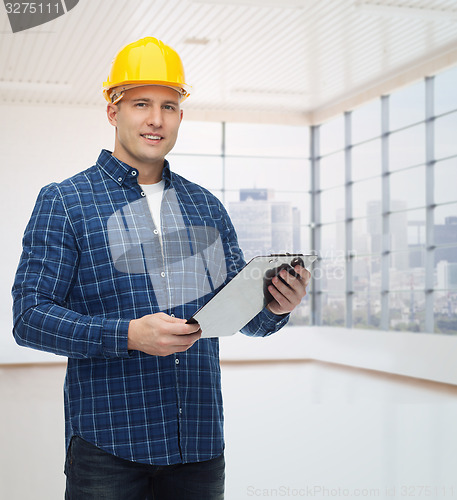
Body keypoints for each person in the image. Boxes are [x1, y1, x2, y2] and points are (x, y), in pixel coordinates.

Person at [12, 37, 311, 500]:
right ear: (113, 111)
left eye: (169, 106)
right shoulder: (65, 202)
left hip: (198, 444)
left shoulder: (204, 207)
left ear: (180, 116)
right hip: (107, 446)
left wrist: (275, 307)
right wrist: (128, 335)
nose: (156, 119)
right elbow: (29, 318)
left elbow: (242, 317)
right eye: (141, 104)